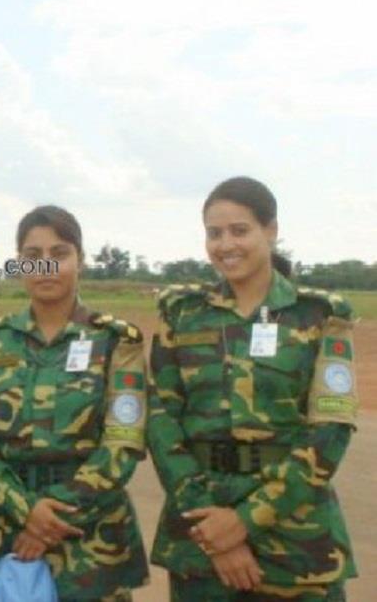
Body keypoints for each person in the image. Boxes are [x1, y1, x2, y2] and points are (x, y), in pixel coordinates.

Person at [147, 176, 358, 601]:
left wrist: (245, 520)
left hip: (296, 536)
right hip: (201, 531)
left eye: (240, 230)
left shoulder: (318, 314)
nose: (226, 244)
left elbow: (330, 431)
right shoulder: (182, 314)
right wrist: (216, 532)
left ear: (271, 231)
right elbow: (161, 419)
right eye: (214, 233)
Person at [0, 205, 150, 601]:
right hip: (5, 533)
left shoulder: (115, 341)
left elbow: (123, 441)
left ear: (81, 260)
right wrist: (25, 511)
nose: (45, 267)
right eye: (32, 257)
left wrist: (50, 517)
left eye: (59, 254)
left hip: (90, 540)